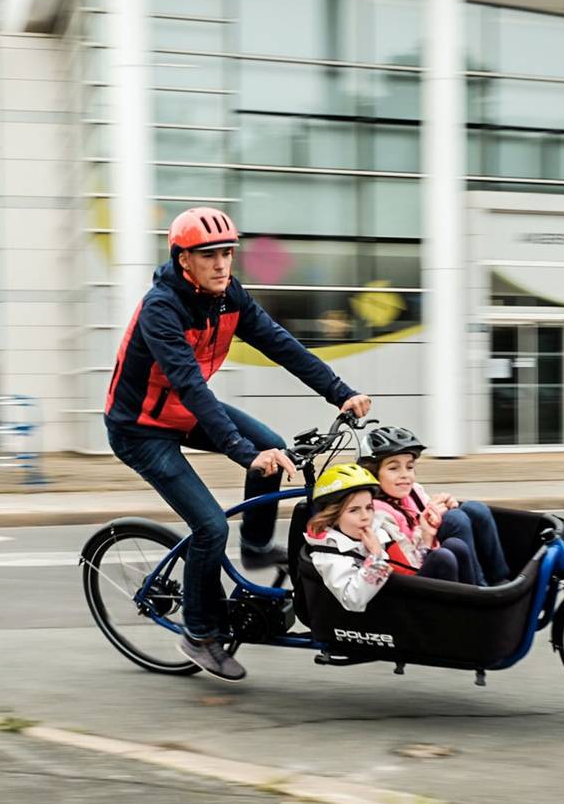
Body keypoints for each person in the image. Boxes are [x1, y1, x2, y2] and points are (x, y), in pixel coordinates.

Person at [104, 206, 372, 682]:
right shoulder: (161, 308)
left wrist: (341, 392)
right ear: (183, 259)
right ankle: (200, 633)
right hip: (140, 427)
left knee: (274, 444)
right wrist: (243, 451)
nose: (222, 263)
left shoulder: (230, 297)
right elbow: (189, 383)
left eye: (228, 252)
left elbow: (280, 344)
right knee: (209, 527)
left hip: (185, 412)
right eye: (209, 255)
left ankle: (254, 545)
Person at [303, 464, 475, 613]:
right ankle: (459, 621)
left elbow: (410, 566)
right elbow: (353, 600)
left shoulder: (376, 530)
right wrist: (376, 556)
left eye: (369, 508)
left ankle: (476, 609)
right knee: (442, 558)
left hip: (404, 590)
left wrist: (426, 536)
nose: (365, 516)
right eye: (354, 510)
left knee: (455, 546)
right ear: (332, 517)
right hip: (390, 612)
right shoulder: (330, 553)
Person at [358, 426, 511, 586]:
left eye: (409, 467)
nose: (405, 474)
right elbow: (410, 563)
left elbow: (429, 513)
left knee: (474, 509)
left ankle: (500, 579)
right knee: (455, 519)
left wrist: (444, 505)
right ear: (373, 473)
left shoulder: (414, 491)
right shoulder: (379, 514)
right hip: (423, 566)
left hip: (434, 545)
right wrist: (426, 529)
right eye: (394, 468)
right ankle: (480, 587)